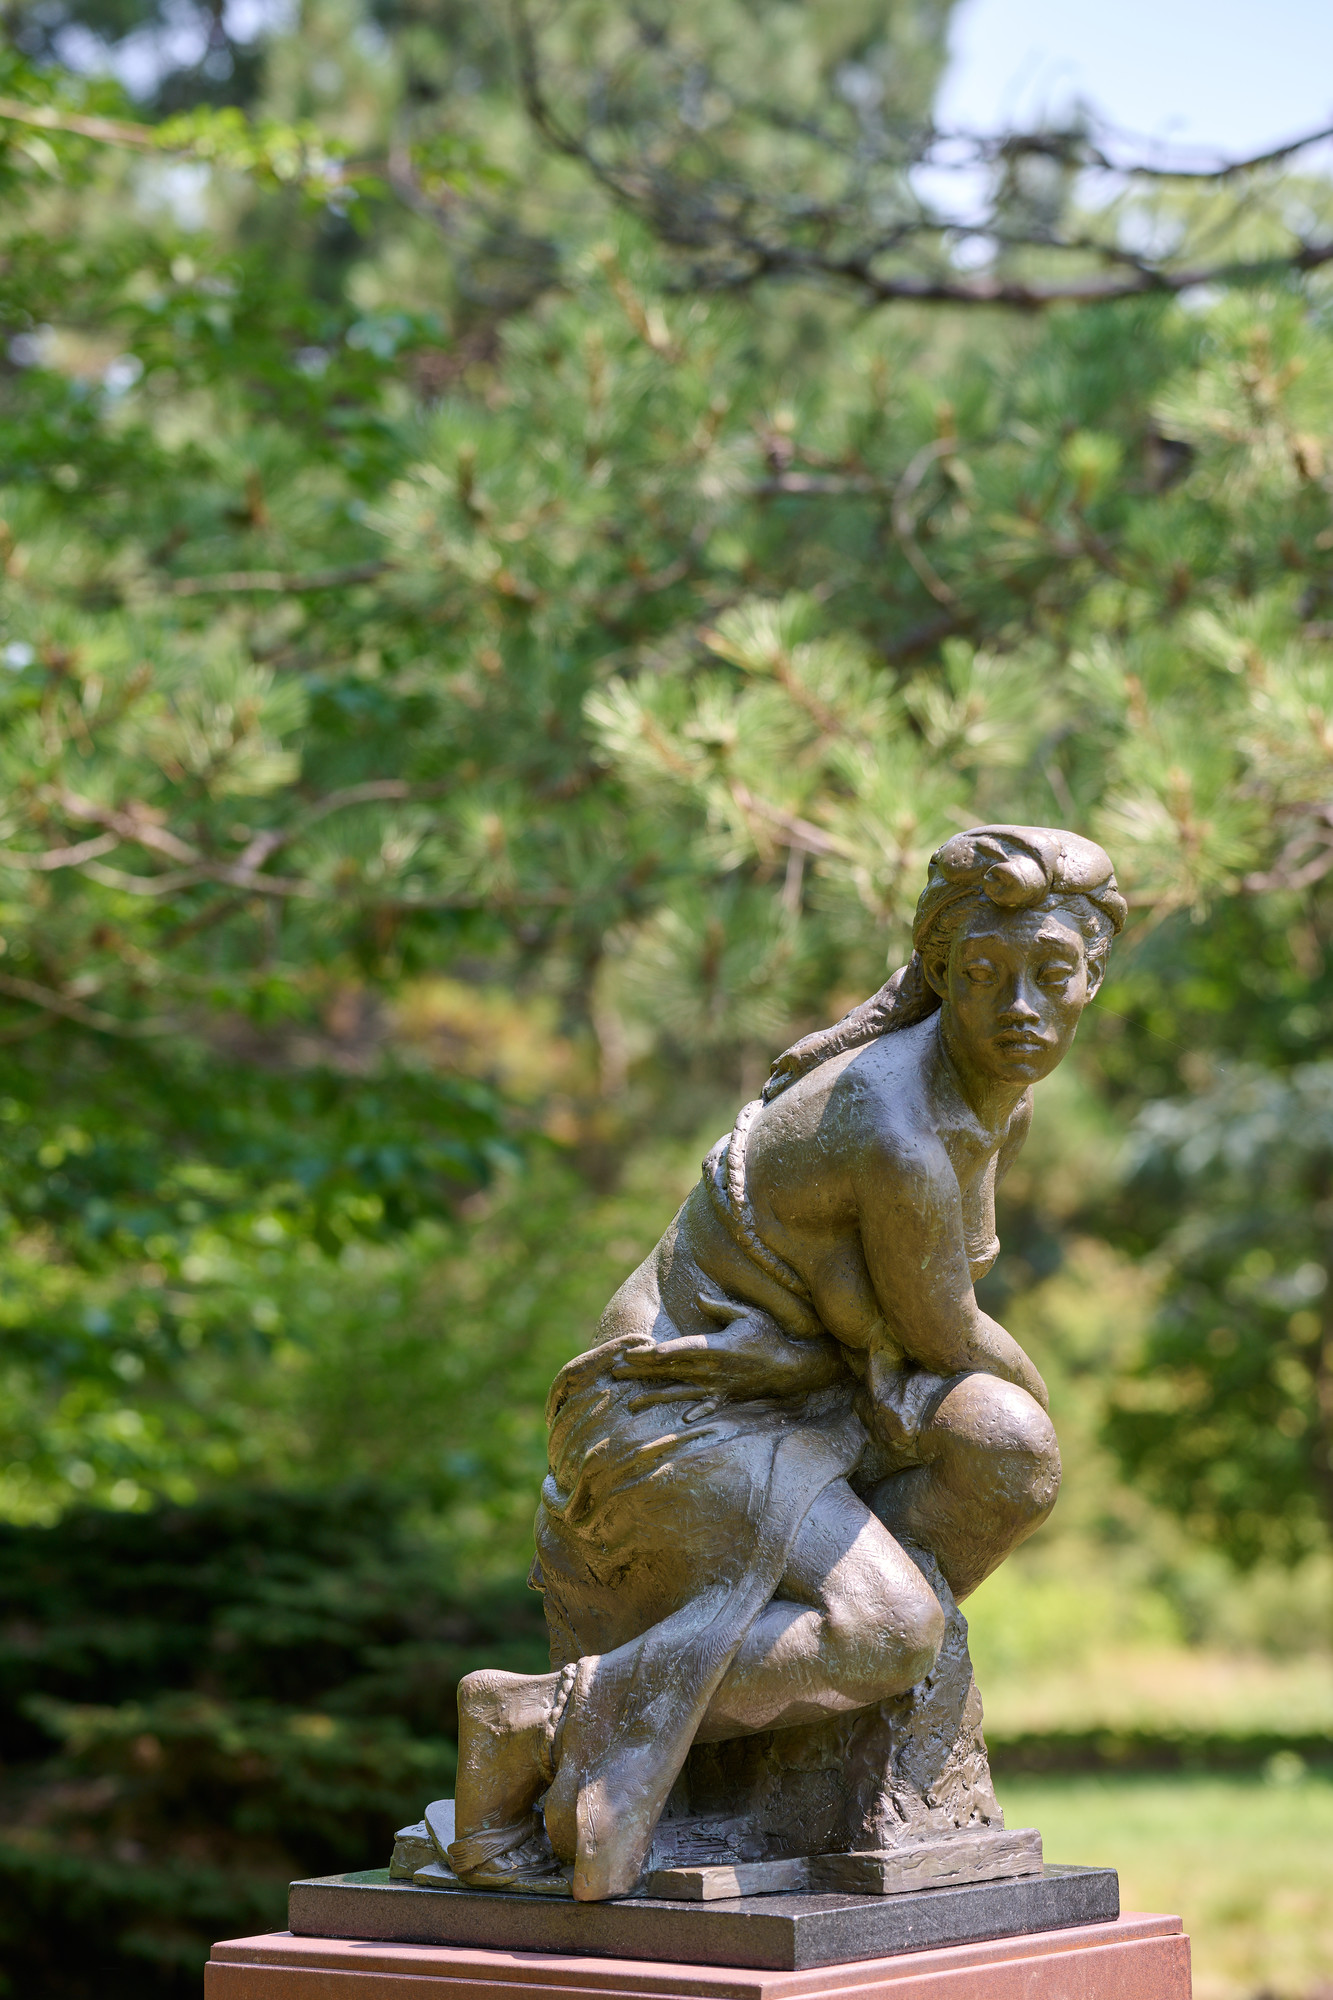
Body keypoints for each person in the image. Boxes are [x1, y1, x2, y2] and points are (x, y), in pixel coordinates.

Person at [446, 825, 1126, 1902]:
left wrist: (1010, 1423)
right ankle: (533, 1716)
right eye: (987, 975)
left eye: (1053, 973)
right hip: (670, 1415)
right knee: (893, 1623)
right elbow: (945, 1332)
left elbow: (923, 1324)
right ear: (942, 971)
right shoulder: (889, 1121)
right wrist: (1035, 1399)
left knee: (1003, 1455)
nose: (1020, 1008)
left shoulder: (994, 1097)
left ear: (1093, 974)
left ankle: (805, 1760)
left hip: (797, 1403)